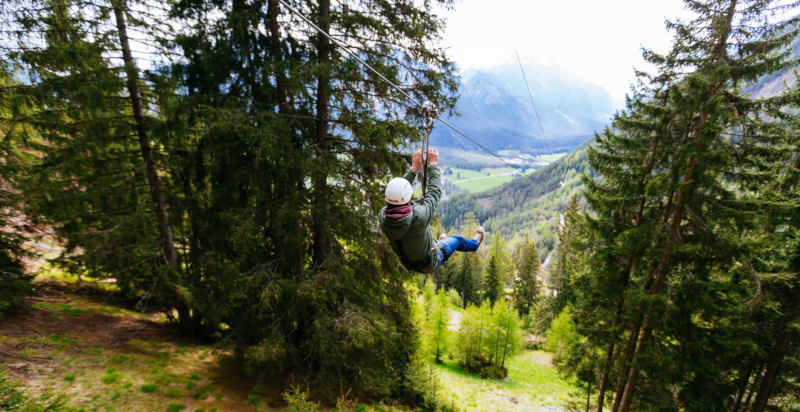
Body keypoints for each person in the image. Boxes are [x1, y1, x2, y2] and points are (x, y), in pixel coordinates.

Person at [379, 148, 485, 273]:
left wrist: (413, 169)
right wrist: (433, 165)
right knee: (457, 240)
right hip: (431, 261)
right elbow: (434, 192)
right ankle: (475, 244)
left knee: (427, 237)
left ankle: (440, 242)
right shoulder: (418, 216)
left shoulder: (383, 216)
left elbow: (398, 194)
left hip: (410, 260)